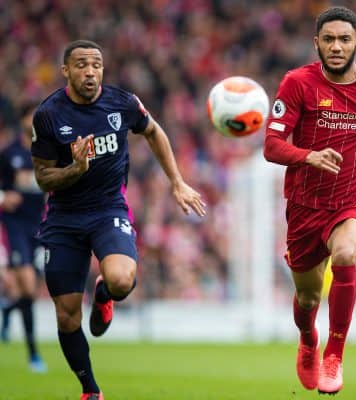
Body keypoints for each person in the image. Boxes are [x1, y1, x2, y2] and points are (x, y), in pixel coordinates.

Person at [31, 40, 206, 400]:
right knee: (66, 316)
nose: (90, 71)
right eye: (81, 65)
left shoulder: (122, 102)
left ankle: (105, 294)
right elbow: (43, 178)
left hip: (108, 209)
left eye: (96, 64)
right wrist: (75, 169)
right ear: (66, 71)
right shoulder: (48, 115)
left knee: (123, 280)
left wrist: (177, 182)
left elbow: (153, 131)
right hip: (64, 218)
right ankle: (90, 390)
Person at [263, 6, 356, 395]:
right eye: (328, 39)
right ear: (316, 43)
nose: (336, 46)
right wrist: (307, 156)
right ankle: (308, 341)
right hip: (306, 205)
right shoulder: (297, 83)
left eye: (344, 39)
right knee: (307, 296)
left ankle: (334, 354)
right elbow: (272, 146)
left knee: (346, 253)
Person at [0, 104, 47, 373]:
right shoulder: (8, 154)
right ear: (22, 120)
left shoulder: (47, 152)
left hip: (41, 227)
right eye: (31, 115)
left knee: (32, 290)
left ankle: (7, 311)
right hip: (15, 226)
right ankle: (34, 354)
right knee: (28, 287)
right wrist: (4, 197)